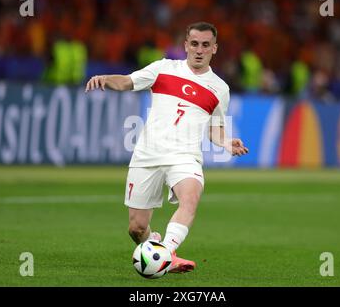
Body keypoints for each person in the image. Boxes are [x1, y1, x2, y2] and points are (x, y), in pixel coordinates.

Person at [85, 22, 249, 273]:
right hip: (148, 154)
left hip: (184, 156)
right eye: (194, 44)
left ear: (214, 49)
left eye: (206, 45)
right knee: (136, 228)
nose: (199, 50)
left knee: (191, 196)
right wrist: (106, 79)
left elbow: (215, 128)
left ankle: (166, 254)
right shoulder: (163, 68)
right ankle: (158, 247)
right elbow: (128, 82)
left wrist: (226, 142)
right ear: (185, 45)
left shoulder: (220, 89)